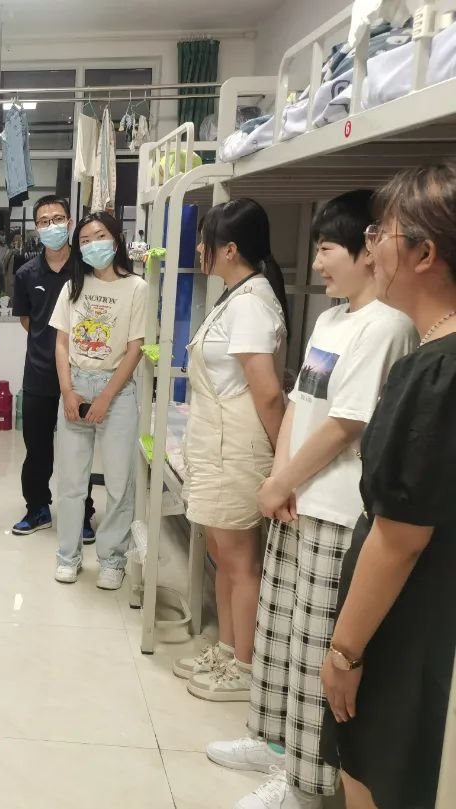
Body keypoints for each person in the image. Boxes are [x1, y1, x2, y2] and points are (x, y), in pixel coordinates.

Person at [205, 191, 415, 809]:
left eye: (325, 249)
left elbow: (346, 423)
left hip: (335, 509)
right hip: (296, 499)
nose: (316, 262)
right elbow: (299, 401)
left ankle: (305, 784)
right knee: (280, 638)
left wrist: (283, 481)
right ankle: (273, 746)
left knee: (313, 649)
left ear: (367, 251)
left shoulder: (387, 326)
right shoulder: (331, 320)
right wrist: (280, 477)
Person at [320, 163, 456, 809]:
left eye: (382, 234)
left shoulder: (433, 373)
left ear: (425, 254)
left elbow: (399, 538)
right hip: (428, 611)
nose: (370, 248)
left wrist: (345, 652)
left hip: (406, 620)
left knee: (376, 775)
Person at [175, 199, 288, 702]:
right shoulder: (234, 296)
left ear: (230, 249)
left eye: (206, 242)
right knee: (221, 553)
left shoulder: (250, 304)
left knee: (240, 560)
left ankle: (244, 666)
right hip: (215, 437)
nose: (200, 250)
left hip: (235, 444)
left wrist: (283, 463)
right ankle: (225, 648)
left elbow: (269, 395)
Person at [50, 212, 146, 589]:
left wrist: (106, 396)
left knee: (120, 483)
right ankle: (67, 556)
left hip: (116, 390)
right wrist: (67, 391)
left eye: (100, 236)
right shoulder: (73, 286)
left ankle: (112, 559)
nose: (93, 245)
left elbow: (135, 348)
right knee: (72, 482)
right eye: (85, 240)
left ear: (116, 240)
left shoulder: (136, 287)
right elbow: (61, 343)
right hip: (76, 384)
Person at [11, 195, 93, 537]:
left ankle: (82, 514)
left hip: (83, 373)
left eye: (58, 219)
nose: (52, 226)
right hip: (40, 373)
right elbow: (28, 320)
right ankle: (37, 509)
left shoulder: (88, 269)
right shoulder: (26, 273)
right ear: (36, 228)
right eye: (44, 221)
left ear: (70, 223)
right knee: (37, 448)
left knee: (80, 450)